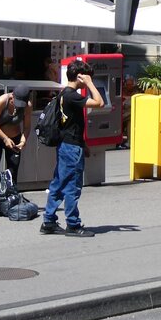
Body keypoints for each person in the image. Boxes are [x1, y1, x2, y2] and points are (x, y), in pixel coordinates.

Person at [41, 60, 103, 237]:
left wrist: (84, 144)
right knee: (72, 186)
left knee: (59, 183)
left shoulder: (63, 95)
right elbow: (99, 102)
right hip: (71, 148)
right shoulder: (72, 95)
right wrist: (90, 84)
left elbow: (70, 125)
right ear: (80, 77)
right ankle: (73, 224)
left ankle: (49, 221)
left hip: (66, 145)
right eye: (86, 77)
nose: (88, 80)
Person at [0, 85, 32, 185]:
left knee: (13, 170)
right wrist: (5, 138)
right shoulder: (2, 101)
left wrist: (23, 141)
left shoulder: (27, 106)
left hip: (15, 138)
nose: (18, 106)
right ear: (12, 96)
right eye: (16, 102)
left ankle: (10, 194)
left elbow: (27, 127)